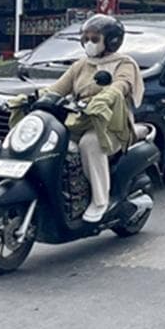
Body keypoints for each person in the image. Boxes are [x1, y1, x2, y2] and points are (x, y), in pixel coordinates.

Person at [34, 15, 144, 223]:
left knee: (90, 144)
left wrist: (106, 97)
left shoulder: (124, 64)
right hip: (79, 120)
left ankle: (100, 201)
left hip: (111, 124)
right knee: (54, 145)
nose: (89, 43)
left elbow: (122, 85)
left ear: (111, 41)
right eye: (86, 38)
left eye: (95, 38)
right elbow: (57, 88)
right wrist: (34, 97)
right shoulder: (81, 65)